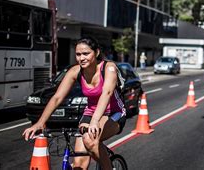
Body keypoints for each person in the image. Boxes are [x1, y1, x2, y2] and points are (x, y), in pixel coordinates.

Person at [22, 37, 126, 170]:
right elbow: (57, 98)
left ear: (97, 52)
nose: (81, 58)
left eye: (86, 53)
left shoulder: (108, 68)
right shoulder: (75, 71)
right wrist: (41, 122)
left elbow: (106, 93)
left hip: (114, 112)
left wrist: (94, 121)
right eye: (78, 54)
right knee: (78, 165)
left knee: (90, 140)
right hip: (90, 113)